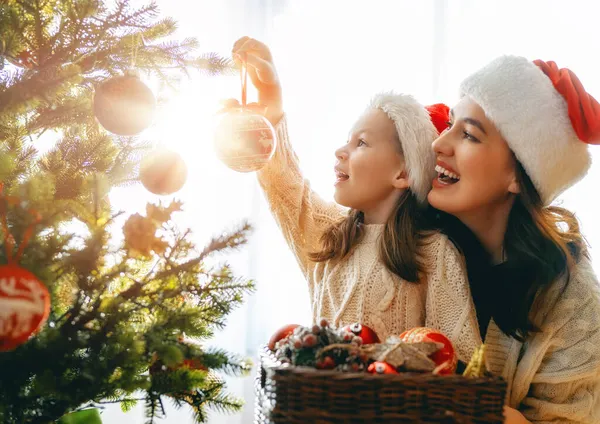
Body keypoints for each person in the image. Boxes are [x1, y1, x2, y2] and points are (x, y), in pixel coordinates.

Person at [227, 36, 459, 342]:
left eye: (361, 142)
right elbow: (285, 186)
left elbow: (459, 357)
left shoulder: (435, 252)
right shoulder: (331, 238)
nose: (340, 150)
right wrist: (270, 103)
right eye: (347, 140)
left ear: (403, 172)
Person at [426, 55, 600, 423]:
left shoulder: (573, 302)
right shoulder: (420, 240)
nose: (439, 144)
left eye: (468, 135)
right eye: (449, 124)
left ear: (519, 178)